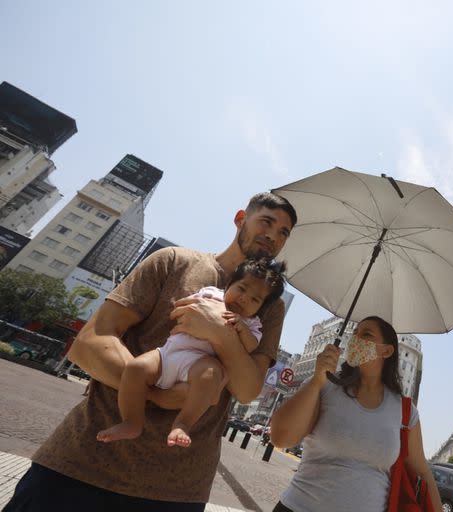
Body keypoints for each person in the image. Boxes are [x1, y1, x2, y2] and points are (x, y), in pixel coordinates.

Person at [3, 192, 297, 512]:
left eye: (284, 232)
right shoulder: (172, 261)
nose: (273, 235)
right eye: (266, 221)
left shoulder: (270, 307)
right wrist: (156, 393)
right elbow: (89, 343)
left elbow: (247, 388)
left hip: (178, 488)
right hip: (82, 460)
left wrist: (219, 333)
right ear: (241, 219)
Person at [96, 257, 286, 448]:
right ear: (229, 284)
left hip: (200, 363)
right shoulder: (211, 293)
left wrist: (241, 329)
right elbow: (181, 309)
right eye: (242, 289)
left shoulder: (251, 323)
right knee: (136, 367)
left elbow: (251, 346)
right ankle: (131, 422)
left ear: (261, 308)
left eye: (255, 299)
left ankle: (183, 423)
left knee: (210, 376)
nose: (244, 298)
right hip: (169, 354)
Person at [269, 316, 442, 512]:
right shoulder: (325, 385)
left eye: (365, 334)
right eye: (354, 334)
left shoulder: (405, 411)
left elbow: (423, 473)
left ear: (386, 351)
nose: (355, 340)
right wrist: (317, 380)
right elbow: (280, 437)